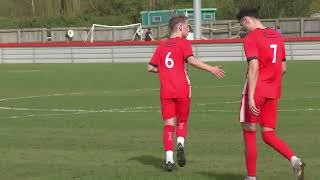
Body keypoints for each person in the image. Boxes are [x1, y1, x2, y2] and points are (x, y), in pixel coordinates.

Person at [147, 15, 225, 171]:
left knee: (169, 125)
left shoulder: (161, 46)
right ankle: (180, 143)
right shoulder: (183, 43)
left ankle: (169, 159)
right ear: (180, 27)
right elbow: (191, 60)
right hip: (182, 88)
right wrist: (211, 69)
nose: (189, 30)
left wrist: (166, 71)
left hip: (166, 90)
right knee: (181, 121)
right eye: (188, 27)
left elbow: (150, 67)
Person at [237, 7, 305, 180]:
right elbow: (283, 68)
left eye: (243, 26)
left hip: (256, 90)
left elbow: (253, 68)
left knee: (249, 131)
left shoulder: (251, 37)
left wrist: (251, 95)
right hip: (273, 91)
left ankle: (251, 177)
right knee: (268, 134)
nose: (244, 30)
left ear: (246, 20)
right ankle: (295, 160)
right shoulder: (277, 36)